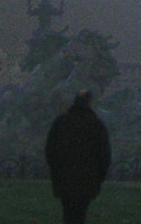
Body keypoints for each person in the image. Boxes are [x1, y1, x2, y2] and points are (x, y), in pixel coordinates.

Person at [44, 89, 111, 224]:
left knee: (68, 210)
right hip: (88, 177)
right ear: (90, 102)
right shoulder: (96, 125)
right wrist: (99, 176)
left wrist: (56, 170)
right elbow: (104, 154)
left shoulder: (61, 122)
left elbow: (50, 150)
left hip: (64, 176)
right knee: (81, 211)